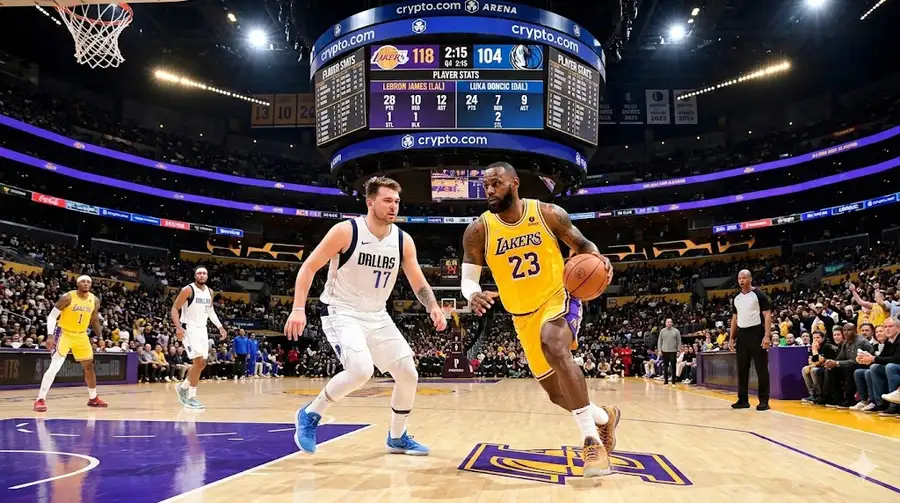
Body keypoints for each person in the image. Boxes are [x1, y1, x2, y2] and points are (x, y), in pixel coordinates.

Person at [459, 162, 619, 478]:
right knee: (557, 395)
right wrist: (472, 293)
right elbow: (468, 278)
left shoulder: (547, 214)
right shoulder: (479, 230)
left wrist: (598, 259)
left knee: (554, 345)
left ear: (514, 183)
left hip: (557, 298)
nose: (489, 190)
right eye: (486, 185)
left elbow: (583, 245)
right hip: (522, 315)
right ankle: (605, 417)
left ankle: (592, 443)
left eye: (496, 183)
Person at [284, 177, 447, 456]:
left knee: (408, 373)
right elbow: (309, 267)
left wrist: (433, 306)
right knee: (360, 370)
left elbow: (418, 282)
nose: (394, 206)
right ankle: (310, 414)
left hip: (377, 315)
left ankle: (397, 437)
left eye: (397, 201)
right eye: (387, 200)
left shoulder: (403, 240)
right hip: (342, 311)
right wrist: (298, 309)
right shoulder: (346, 231)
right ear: (370, 202)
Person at [34, 275, 108, 411]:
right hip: (64, 333)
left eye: (88, 282)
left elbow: (95, 320)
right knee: (55, 366)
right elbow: (52, 316)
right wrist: (50, 335)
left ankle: (93, 398)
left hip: (81, 335)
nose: (86, 284)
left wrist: (101, 337)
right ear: (77, 284)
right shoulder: (68, 297)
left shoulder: (94, 300)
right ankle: (40, 399)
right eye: (83, 281)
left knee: (89, 366)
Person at [170, 266, 227, 409]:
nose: (202, 275)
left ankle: (183, 387)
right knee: (198, 361)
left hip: (202, 329)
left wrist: (220, 327)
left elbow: (210, 311)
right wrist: (178, 327)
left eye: (204, 273)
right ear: (195, 276)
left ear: (207, 276)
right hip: (189, 328)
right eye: (199, 273)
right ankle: (191, 397)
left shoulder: (210, 292)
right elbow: (174, 309)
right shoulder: (188, 290)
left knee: (202, 363)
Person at [729, 269, 772, 411]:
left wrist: (767, 335)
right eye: (739, 278)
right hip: (742, 334)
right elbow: (734, 318)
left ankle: (764, 401)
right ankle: (742, 400)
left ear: (750, 279)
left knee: (761, 368)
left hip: (756, 332)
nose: (741, 280)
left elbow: (767, 315)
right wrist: (731, 337)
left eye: (744, 278)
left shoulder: (759, 295)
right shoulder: (736, 298)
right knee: (742, 369)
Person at [658, 319, 681, 385]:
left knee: (673, 367)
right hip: (665, 351)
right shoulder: (662, 331)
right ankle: (666, 381)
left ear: (672, 323)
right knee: (665, 367)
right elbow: (659, 341)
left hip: (673, 351)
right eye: (668, 322)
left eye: (670, 322)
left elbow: (679, 341)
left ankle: (673, 382)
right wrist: (659, 350)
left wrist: (678, 350)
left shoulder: (676, 331)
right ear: (665, 323)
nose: (669, 323)